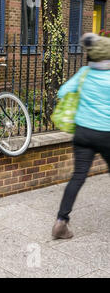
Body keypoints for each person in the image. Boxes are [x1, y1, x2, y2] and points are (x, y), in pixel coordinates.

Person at [52, 33, 110, 239]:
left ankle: (61, 221)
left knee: (78, 177)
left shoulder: (84, 73)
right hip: (106, 134)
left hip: (83, 133)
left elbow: (62, 92)